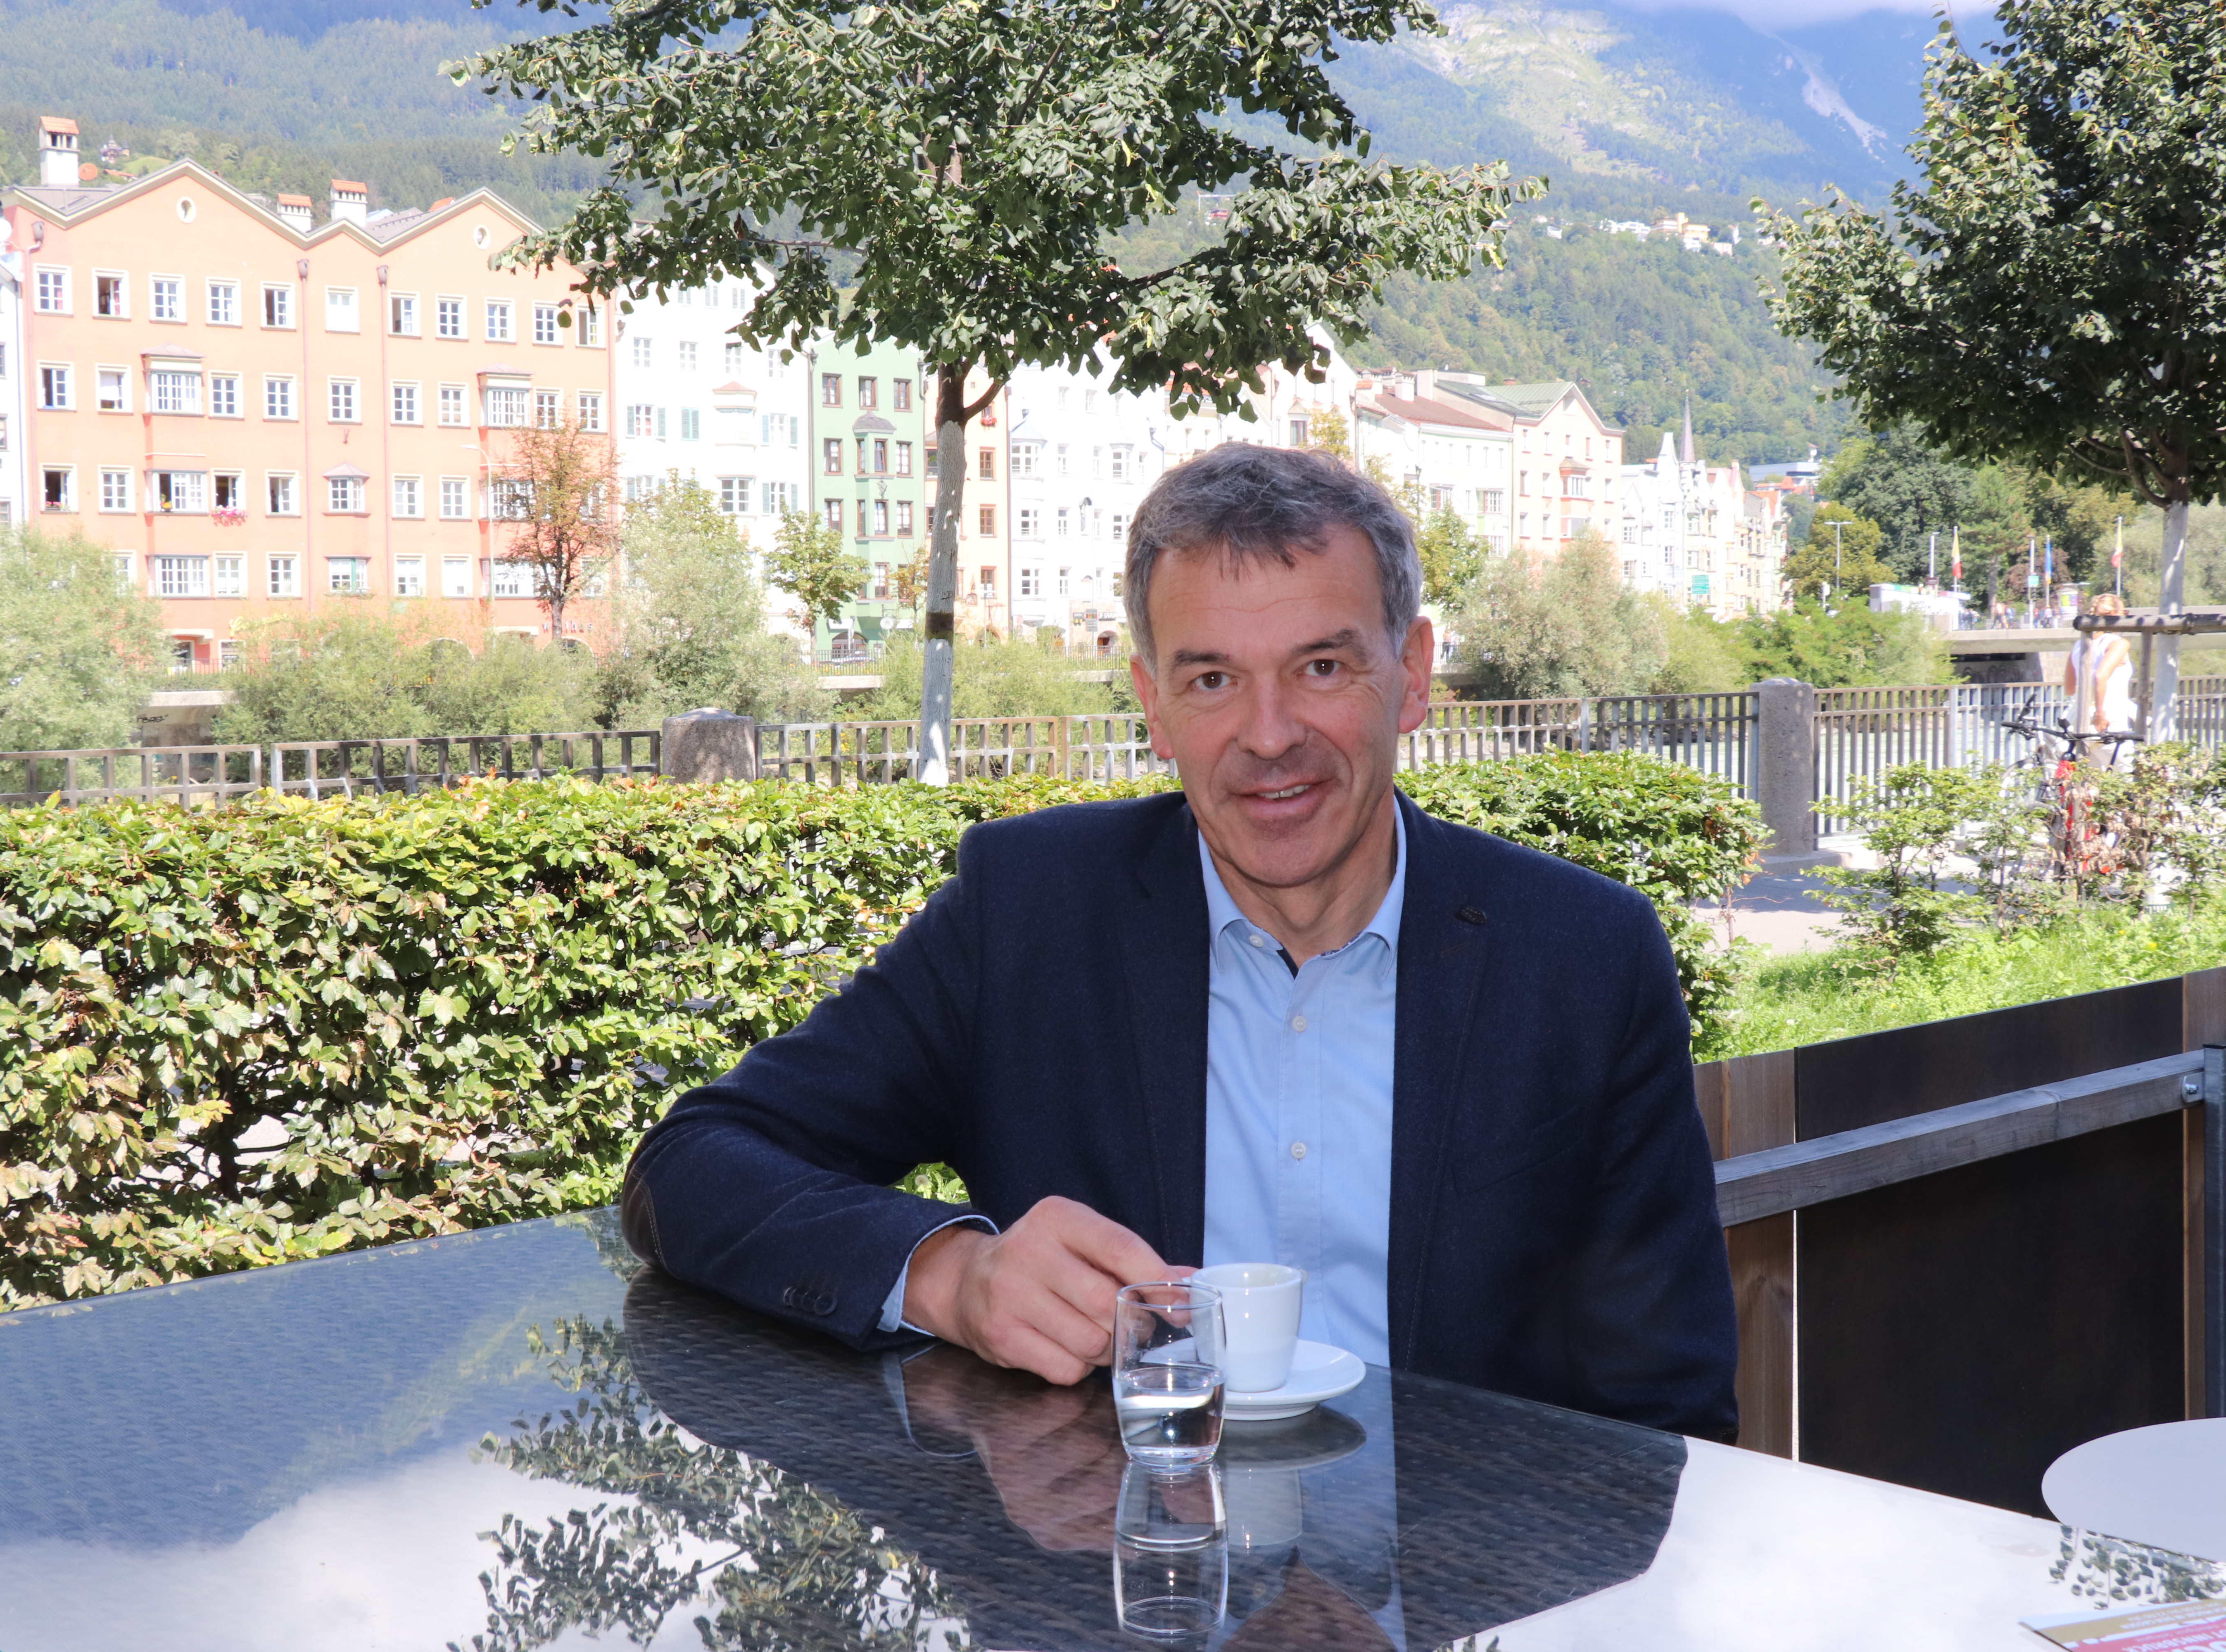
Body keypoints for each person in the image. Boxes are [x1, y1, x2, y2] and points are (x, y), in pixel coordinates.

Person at [620, 443, 1738, 1441]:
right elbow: (693, 1168)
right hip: (1121, 1587)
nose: (1267, 736)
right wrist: (956, 1279)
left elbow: (1672, 1419)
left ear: (1413, 676)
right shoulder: (1029, 913)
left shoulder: (1585, 959)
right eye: (1212, 679)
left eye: (1322, 666)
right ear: (1154, 706)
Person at [2066, 592, 2137, 769]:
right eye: (2124, 613)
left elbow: (2069, 687)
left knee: (2091, 786)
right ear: (2114, 615)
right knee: (2129, 778)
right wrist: (2100, 713)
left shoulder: (2079, 645)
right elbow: (2100, 676)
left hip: (2081, 722)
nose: (2125, 616)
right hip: (2109, 723)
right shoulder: (2118, 643)